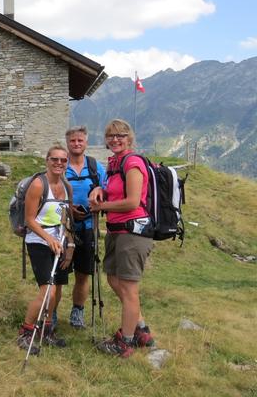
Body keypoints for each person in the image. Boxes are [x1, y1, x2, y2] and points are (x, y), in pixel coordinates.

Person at [88, 119, 155, 358]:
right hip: (118, 231)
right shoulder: (114, 163)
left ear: (129, 138)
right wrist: (99, 190)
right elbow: (114, 189)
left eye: (120, 135)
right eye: (110, 136)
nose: (115, 139)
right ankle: (141, 329)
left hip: (133, 232)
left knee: (128, 289)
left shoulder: (132, 162)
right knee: (114, 280)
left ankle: (125, 342)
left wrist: (101, 206)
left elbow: (133, 201)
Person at [17, 144, 75, 355]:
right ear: (47, 161)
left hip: (60, 241)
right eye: (55, 159)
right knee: (47, 291)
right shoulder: (38, 185)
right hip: (39, 241)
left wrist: (70, 244)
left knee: (57, 289)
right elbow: (30, 220)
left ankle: (47, 330)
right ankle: (26, 331)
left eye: (63, 160)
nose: (59, 163)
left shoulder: (67, 186)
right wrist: (48, 237)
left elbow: (66, 218)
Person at [64, 126, 107, 329]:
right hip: (63, 227)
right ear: (67, 143)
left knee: (83, 274)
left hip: (89, 226)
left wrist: (99, 197)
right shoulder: (60, 165)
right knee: (59, 274)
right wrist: (68, 208)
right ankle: (50, 313)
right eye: (73, 140)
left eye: (80, 140)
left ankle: (77, 312)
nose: (76, 143)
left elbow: (107, 190)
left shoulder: (95, 167)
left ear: (86, 142)